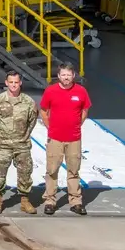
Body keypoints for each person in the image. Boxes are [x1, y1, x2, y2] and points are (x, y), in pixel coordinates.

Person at [40, 62, 91, 215]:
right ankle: (50, 200)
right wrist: (52, 128)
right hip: (55, 138)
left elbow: (84, 111)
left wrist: (76, 125)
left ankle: (75, 201)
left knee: (74, 170)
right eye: (63, 75)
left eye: (69, 75)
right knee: (52, 170)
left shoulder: (81, 91)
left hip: (74, 138)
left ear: (73, 75)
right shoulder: (51, 91)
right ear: (58, 76)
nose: (66, 78)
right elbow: (43, 111)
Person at [0, 69, 39, 215]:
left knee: (25, 172)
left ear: (20, 83)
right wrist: (0, 134)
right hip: (2, 145)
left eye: (16, 82)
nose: (14, 85)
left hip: (22, 144)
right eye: (11, 82)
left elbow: (32, 121)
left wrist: (23, 135)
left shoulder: (28, 102)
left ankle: (24, 200)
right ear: (6, 83)